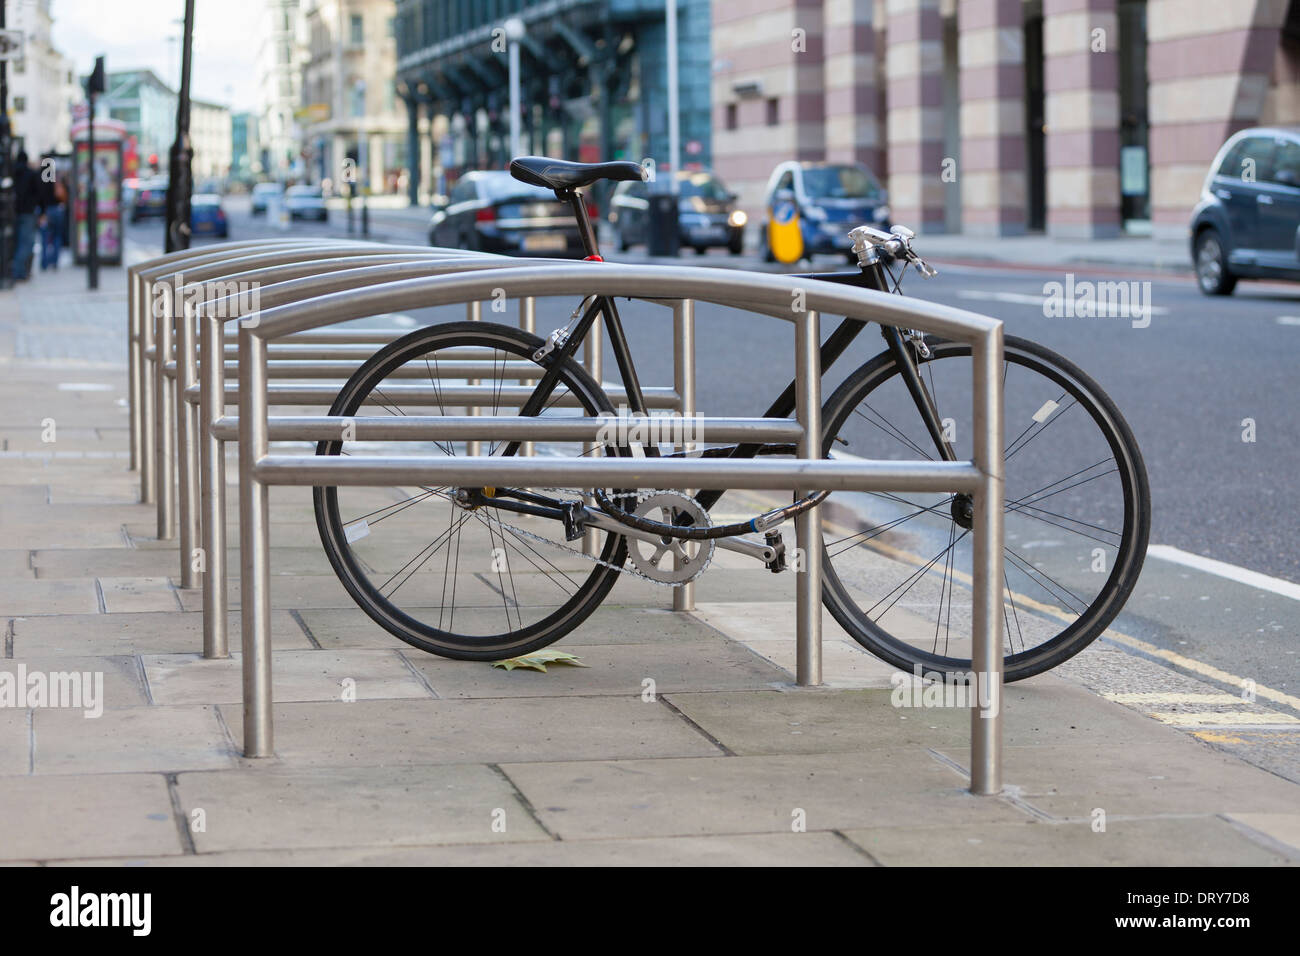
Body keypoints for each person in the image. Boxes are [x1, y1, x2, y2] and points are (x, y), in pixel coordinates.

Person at [11, 152, 45, 281]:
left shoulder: (12, 173)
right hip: (28, 212)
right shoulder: (31, 174)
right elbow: (39, 194)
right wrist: (42, 211)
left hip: (13, 213)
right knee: (27, 243)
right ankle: (19, 271)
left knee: (16, 242)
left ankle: (17, 270)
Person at [40, 169, 68, 270]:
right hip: (57, 210)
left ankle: (44, 263)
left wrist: (42, 213)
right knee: (57, 236)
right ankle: (55, 261)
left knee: (45, 237)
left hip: (46, 210)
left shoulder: (43, 182)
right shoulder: (58, 181)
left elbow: (40, 198)